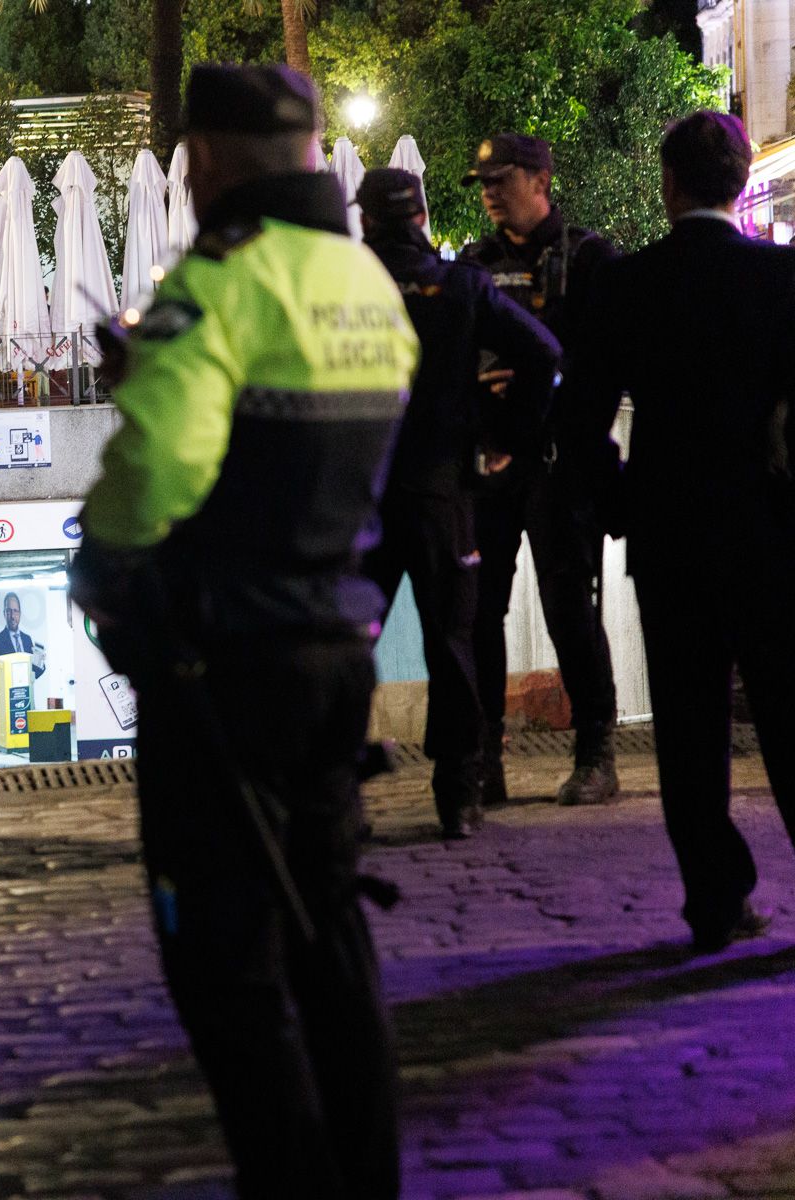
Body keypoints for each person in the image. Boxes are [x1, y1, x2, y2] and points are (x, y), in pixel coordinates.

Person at [69, 65, 417, 1199]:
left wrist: (101, 562)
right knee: (331, 934)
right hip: (335, 645)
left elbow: (161, 469)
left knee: (226, 964)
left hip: (221, 661)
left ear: (205, 162)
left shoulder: (219, 282)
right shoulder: (364, 282)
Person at [578, 111, 795, 952]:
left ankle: (715, 899)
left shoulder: (628, 285)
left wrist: (619, 505)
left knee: (689, 728)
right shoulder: (781, 278)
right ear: (741, 182)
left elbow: (581, 421)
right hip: (771, 534)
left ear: (668, 184)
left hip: (670, 534)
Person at [355, 168, 561, 838]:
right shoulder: (462, 286)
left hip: (360, 493)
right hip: (441, 489)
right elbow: (543, 352)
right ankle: (459, 792)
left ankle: (337, 791)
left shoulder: (342, 286)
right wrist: (508, 437)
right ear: (421, 217)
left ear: (365, 221)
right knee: (452, 642)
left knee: (346, 644)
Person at [460, 133, 622, 808]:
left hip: (561, 463)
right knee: (479, 612)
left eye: (502, 180)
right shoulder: (475, 264)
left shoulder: (589, 259)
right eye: (484, 183)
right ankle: (484, 757)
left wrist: (548, 392)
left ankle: (596, 752)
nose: (491, 194)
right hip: (494, 461)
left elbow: (609, 362)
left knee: (567, 609)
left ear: (540, 180)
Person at [0, 591, 45, 690]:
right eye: (9, 611)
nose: (13, 616)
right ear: (4, 614)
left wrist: (40, 662)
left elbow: (35, 671)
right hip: (8, 696)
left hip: (27, 694)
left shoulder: (27, 639)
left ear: (20, 614)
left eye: (15, 611)